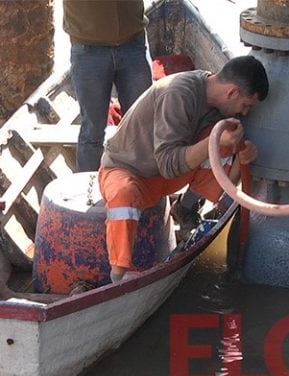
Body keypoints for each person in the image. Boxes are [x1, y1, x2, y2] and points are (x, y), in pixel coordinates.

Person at [99, 56, 269, 283]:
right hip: (127, 169)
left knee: (224, 140)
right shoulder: (178, 93)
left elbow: (230, 183)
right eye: (245, 106)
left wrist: (242, 157)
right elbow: (169, 165)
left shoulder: (218, 105)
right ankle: (118, 276)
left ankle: (186, 209)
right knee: (124, 195)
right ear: (231, 93)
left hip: (161, 179)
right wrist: (215, 143)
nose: (245, 113)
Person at [63, 0, 153, 172]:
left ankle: (142, 191)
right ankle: (86, 194)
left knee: (142, 126)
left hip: (134, 43)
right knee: (92, 133)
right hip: (87, 48)